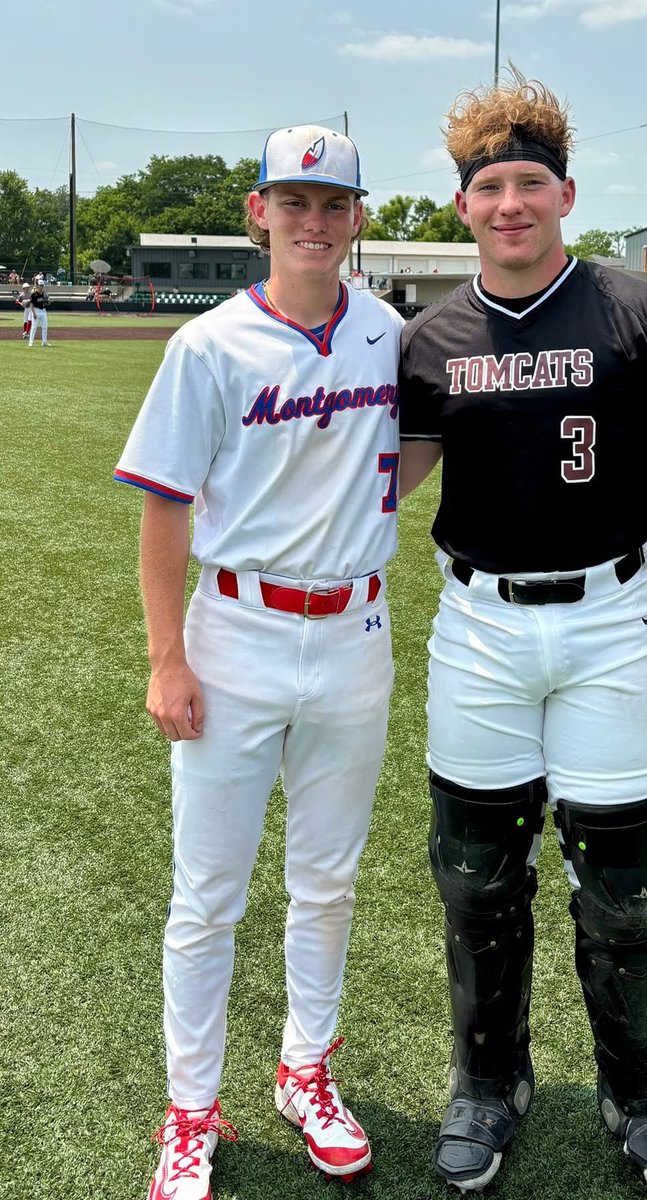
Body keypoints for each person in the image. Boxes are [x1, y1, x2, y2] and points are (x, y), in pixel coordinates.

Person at [398, 70, 647, 1200]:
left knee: (629, 885)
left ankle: (638, 1100)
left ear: (563, 193)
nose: (509, 203)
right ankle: (487, 1084)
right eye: (488, 187)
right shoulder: (428, 339)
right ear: (463, 206)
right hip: (479, 630)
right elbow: (384, 482)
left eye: (529, 184)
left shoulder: (635, 311)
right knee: (473, 876)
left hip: (611, 622)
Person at [114, 123, 404, 1200]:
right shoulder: (209, 345)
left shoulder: (387, 333)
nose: (314, 222)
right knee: (208, 894)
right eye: (295, 203)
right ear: (258, 214)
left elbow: (398, 463)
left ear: (358, 217)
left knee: (325, 882)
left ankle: (304, 1070)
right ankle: (190, 1111)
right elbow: (163, 509)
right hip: (232, 633)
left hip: (355, 635)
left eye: (333, 204)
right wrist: (165, 658)